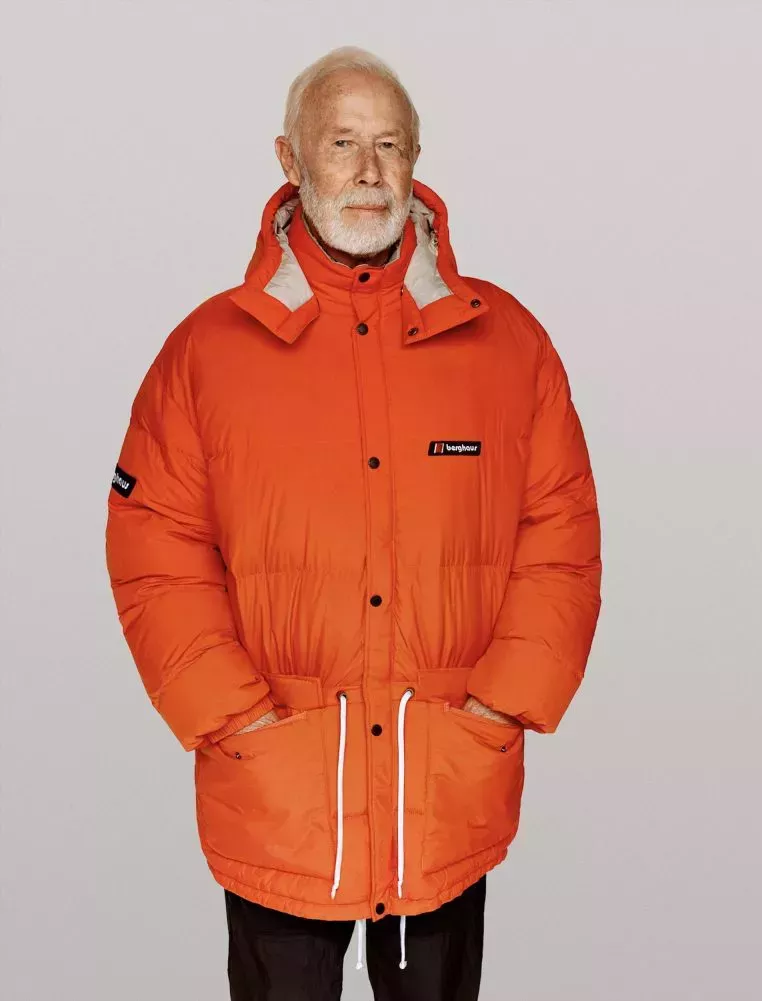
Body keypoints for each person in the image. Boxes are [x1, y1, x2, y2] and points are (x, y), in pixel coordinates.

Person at [105, 45, 602, 1001]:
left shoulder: (508, 345)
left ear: (416, 158)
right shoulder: (207, 354)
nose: (368, 170)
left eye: (388, 144)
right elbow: (154, 548)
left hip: (442, 793)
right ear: (289, 158)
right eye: (341, 143)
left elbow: (562, 536)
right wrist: (234, 717)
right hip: (278, 794)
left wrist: (501, 706)